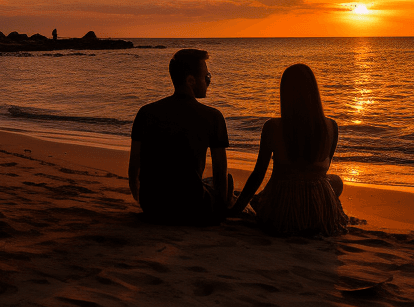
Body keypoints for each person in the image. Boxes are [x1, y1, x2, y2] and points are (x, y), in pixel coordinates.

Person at [228, 63, 348, 236]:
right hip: (319, 213)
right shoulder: (331, 126)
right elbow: (323, 169)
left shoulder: (273, 127)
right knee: (334, 180)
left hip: (282, 212)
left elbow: (258, 174)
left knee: (256, 195)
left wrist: (238, 208)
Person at [129, 48, 232, 225]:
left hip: (153, 206)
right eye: (207, 78)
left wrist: (142, 200)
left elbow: (134, 167)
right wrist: (220, 209)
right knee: (227, 182)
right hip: (192, 207)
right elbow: (220, 172)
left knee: (203, 181)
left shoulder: (145, 113)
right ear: (191, 80)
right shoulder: (212, 116)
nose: (209, 82)